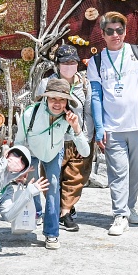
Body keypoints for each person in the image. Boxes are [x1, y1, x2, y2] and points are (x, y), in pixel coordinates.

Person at [87, 11, 138, 236]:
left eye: (120, 30)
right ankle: (120, 215)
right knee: (118, 172)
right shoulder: (96, 61)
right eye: (110, 31)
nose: (115, 35)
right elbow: (96, 96)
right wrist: (100, 128)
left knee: (136, 171)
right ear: (103, 34)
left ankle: (130, 208)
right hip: (113, 128)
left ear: (126, 32)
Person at [15, 78, 90, 249]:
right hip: (31, 151)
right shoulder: (29, 114)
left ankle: (51, 233)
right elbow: (19, 142)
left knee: (53, 186)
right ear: (46, 99)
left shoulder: (69, 118)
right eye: (53, 98)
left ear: (67, 101)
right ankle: (37, 213)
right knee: (32, 184)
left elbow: (85, 152)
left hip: (54, 152)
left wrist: (77, 128)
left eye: (62, 99)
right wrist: (21, 167)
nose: (57, 103)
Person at [34, 44, 95, 232]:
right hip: (55, 138)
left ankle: (66, 211)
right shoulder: (47, 83)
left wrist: (88, 134)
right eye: (64, 62)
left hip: (78, 136)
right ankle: (59, 208)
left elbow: (89, 110)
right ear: (57, 64)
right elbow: (38, 109)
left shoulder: (84, 83)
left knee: (76, 176)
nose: (69, 65)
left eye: (72, 62)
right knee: (52, 177)